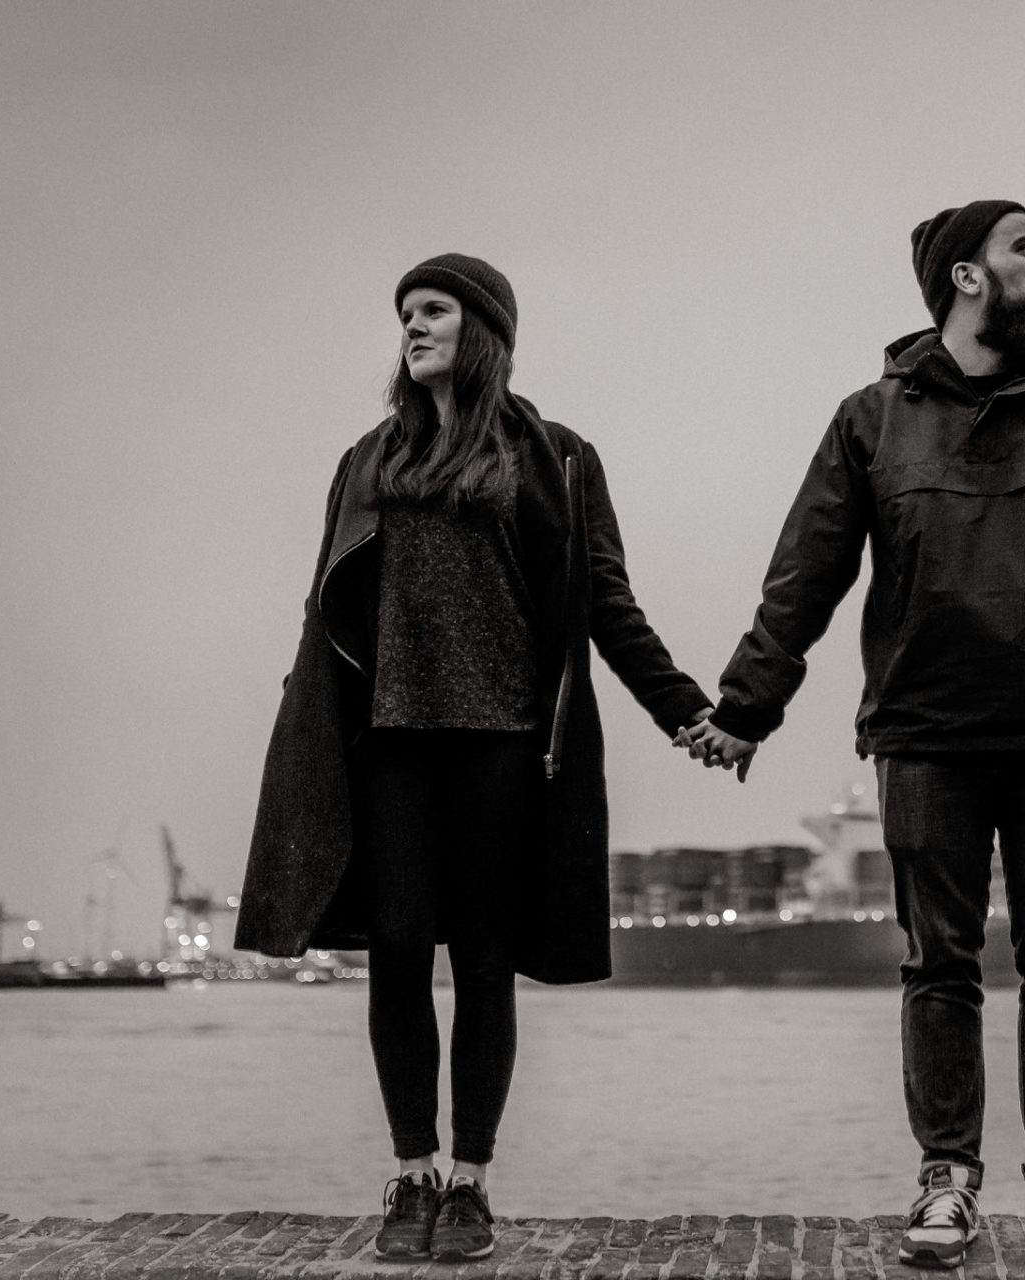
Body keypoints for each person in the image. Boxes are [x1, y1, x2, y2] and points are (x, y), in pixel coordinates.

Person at [681, 201, 1025, 1269]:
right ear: (965, 276)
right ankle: (947, 1181)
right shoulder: (872, 420)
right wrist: (744, 706)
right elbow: (805, 572)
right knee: (937, 965)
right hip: (924, 733)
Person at [236, 254, 711, 1262]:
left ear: (481, 328)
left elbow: (606, 603)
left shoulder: (559, 459)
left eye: (434, 309)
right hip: (389, 740)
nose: (412, 325)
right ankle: (411, 1174)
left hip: (504, 740)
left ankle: (473, 1184)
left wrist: (686, 710)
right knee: (401, 947)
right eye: (405, 312)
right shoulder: (367, 459)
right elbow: (324, 609)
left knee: (486, 960)